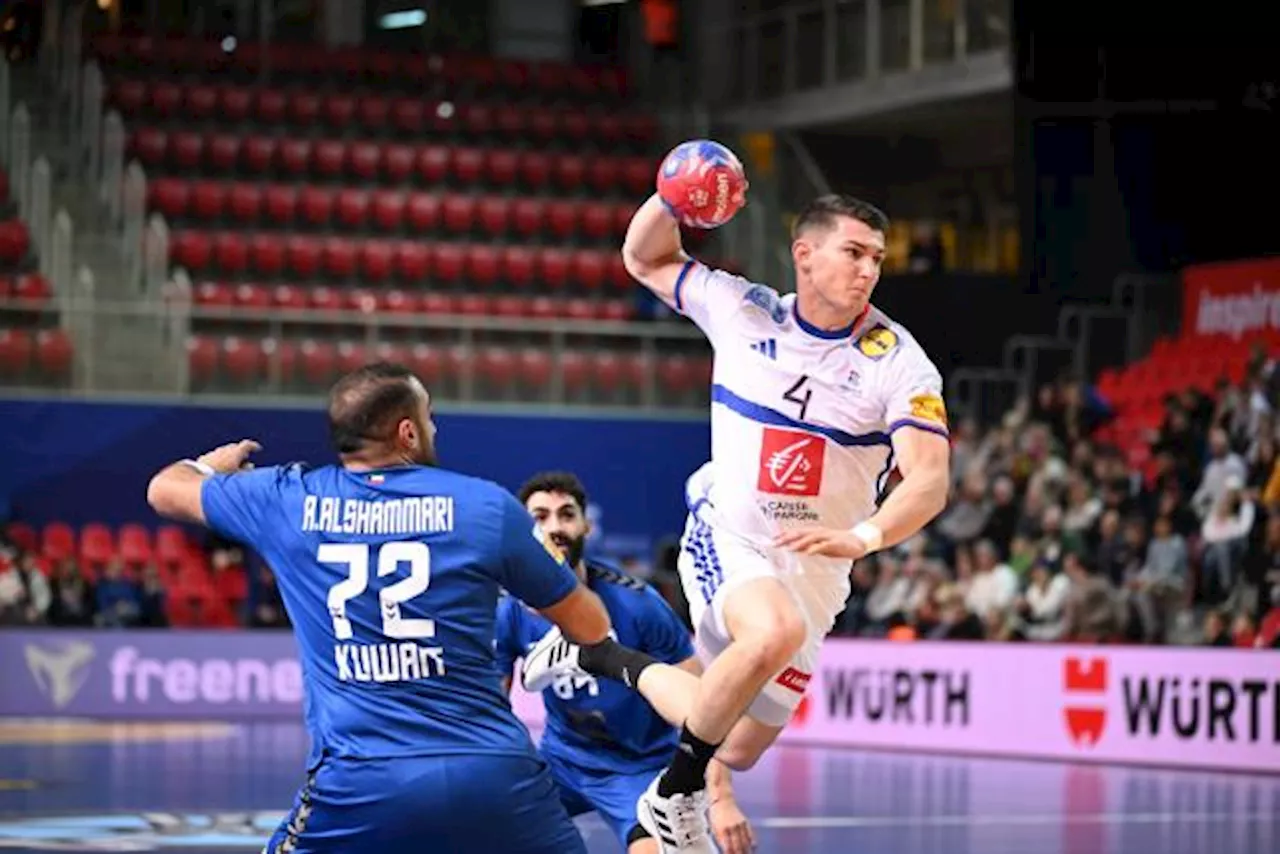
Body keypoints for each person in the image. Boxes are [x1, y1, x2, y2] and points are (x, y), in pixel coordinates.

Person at [523, 188, 952, 851]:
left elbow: (928, 479)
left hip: (820, 563)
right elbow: (643, 256)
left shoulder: (898, 359)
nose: (868, 269)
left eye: (877, 258)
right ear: (804, 256)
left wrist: (862, 538)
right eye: (854, 252)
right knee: (770, 631)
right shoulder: (743, 309)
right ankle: (672, 794)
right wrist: (670, 196)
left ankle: (601, 656)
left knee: (738, 741)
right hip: (733, 529)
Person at [145, 362, 618, 854]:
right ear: (408, 433)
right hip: (493, 772)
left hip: (357, 780)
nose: (435, 428)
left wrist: (210, 467)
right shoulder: (485, 506)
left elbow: (163, 489)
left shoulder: (284, 499)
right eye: (429, 417)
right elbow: (591, 624)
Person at [496, 472, 756, 854]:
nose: (555, 527)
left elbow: (705, 707)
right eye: (540, 516)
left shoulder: (640, 606)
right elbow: (490, 707)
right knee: (480, 826)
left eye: (567, 515)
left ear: (586, 524)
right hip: (562, 761)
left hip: (638, 767)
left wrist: (721, 797)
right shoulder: (510, 610)